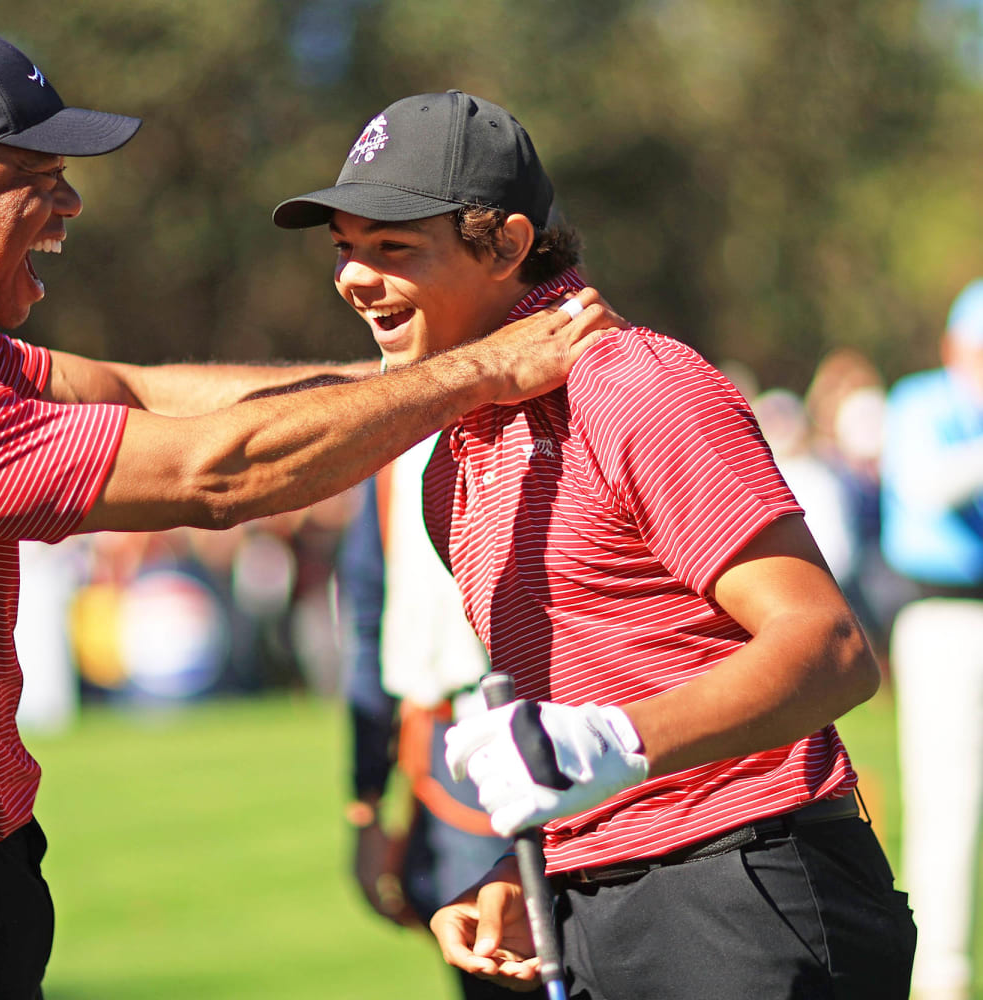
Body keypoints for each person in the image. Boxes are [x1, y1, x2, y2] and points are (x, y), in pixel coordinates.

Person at [0, 27, 613, 1000]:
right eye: (40, 178)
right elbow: (219, 474)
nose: (70, 204)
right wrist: (485, 371)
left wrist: (421, 372)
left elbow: (135, 391)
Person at [273, 90, 915, 998]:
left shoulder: (631, 383)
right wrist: (515, 871)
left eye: (392, 248)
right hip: (592, 900)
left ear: (506, 244)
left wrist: (615, 739)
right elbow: (576, 711)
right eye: (344, 248)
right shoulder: (448, 460)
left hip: (745, 884)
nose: (353, 278)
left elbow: (832, 648)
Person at [337, 432, 514, 999]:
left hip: (587, 729)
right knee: (494, 967)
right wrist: (367, 805)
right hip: (456, 743)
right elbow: (369, 624)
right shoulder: (396, 444)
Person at [880, 278, 983, 1000]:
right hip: (943, 617)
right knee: (947, 799)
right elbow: (925, 488)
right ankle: (939, 973)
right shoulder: (920, 403)